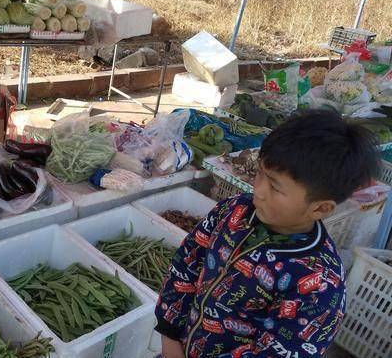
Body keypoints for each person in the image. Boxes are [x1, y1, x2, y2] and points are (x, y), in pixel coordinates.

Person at [155, 110, 380, 358]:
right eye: (260, 172)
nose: (258, 190)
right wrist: (170, 334)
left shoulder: (319, 283)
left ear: (320, 208)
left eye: (275, 186)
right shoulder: (234, 210)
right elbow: (187, 263)